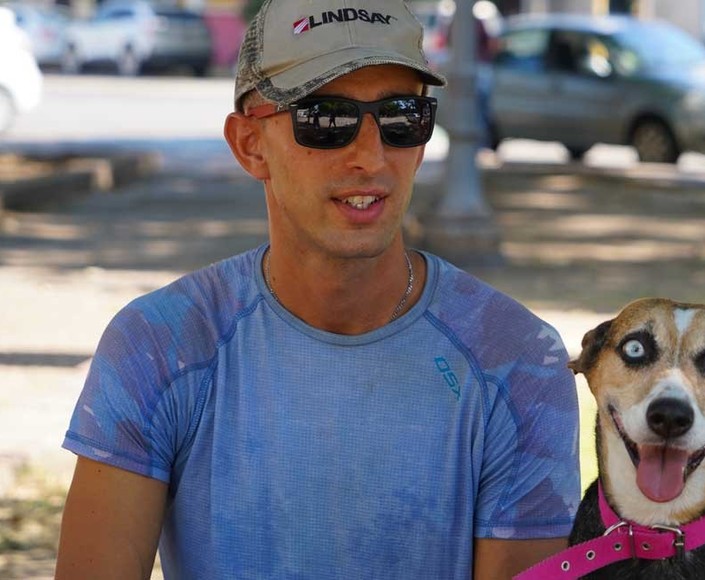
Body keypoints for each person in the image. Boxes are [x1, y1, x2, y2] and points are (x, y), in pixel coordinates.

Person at [54, 1, 580, 578]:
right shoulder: (160, 345)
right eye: (326, 119)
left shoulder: (518, 361)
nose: (371, 158)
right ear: (250, 144)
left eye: (402, 117)